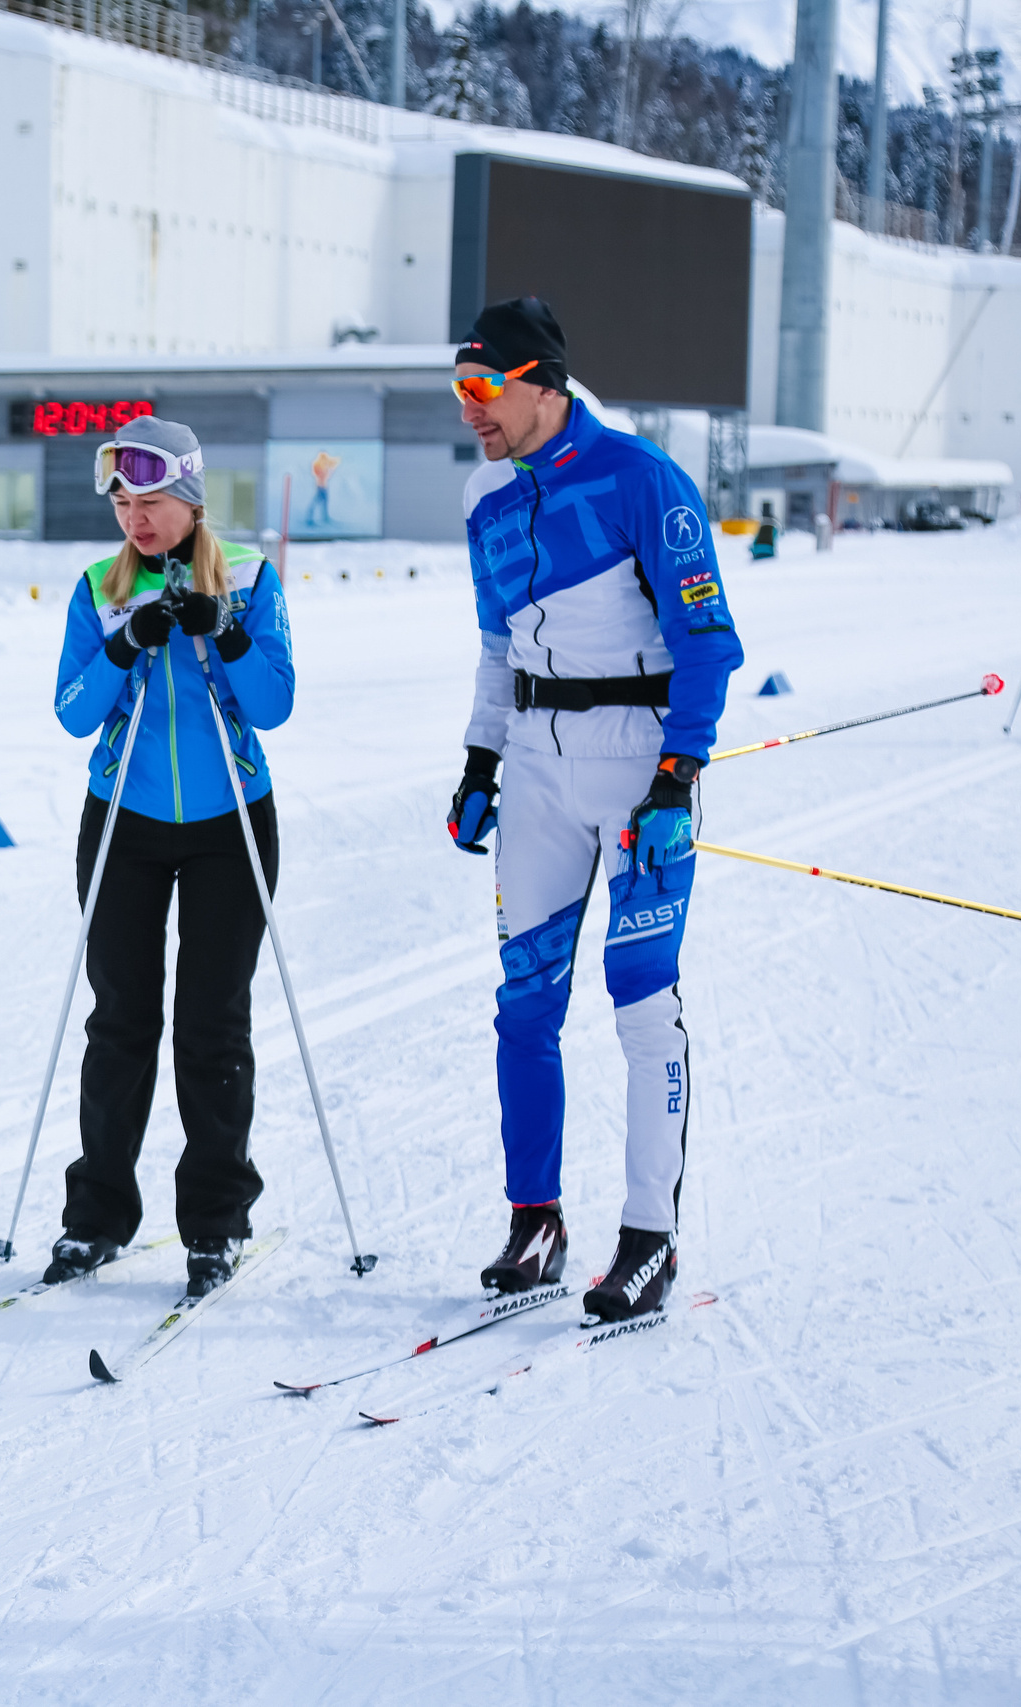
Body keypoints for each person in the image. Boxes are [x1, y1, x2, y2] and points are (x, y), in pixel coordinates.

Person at [443, 297, 744, 1323]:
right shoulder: (487, 498)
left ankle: (646, 1241)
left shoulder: (639, 479)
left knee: (636, 999)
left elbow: (706, 638)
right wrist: (479, 763)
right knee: (523, 1004)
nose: (469, 409)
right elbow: (497, 647)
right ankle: (535, 1220)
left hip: (636, 761)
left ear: (542, 382)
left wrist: (677, 772)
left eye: (483, 389)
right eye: (459, 391)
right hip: (533, 761)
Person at [47, 416, 298, 1300]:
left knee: (212, 1024)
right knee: (120, 1020)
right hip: (125, 818)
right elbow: (73, 711)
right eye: (123, 502)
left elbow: (274, 703)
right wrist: (125, 643)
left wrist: (222, 633)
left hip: (231, 821)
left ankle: (216, 1222)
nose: (136, 519)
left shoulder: (255, 579)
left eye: (151, 501)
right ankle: (97, 1217)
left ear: (190, 498)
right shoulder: (96, 587)